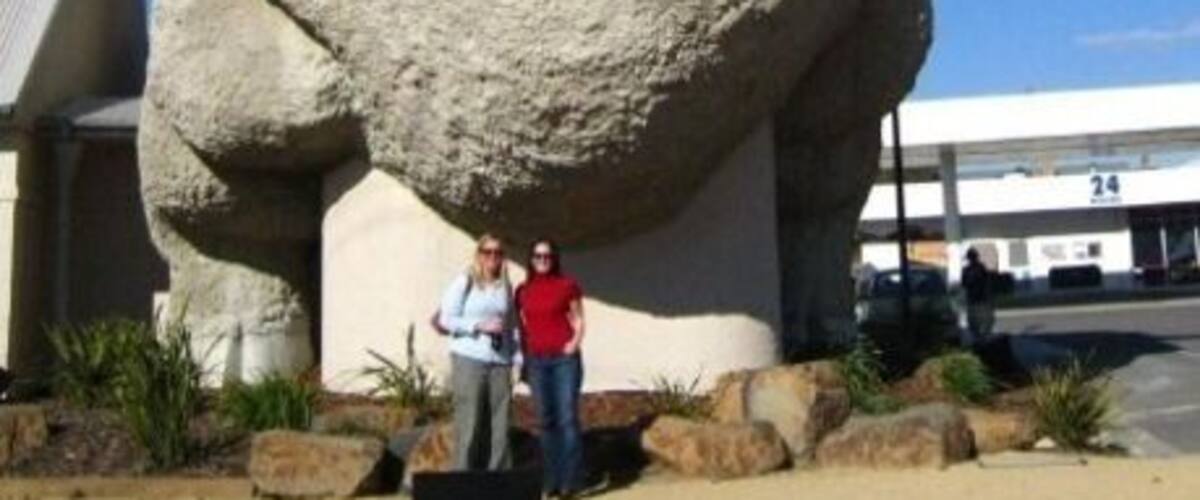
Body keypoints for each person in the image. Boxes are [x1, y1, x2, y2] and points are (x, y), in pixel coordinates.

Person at [438, 234, 517, 472]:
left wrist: (516, 356)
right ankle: (464, 479)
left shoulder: (505, 285)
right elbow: (446, 319)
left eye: (498, 252)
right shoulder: (466, 280)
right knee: (469, 421)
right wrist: (477, 326)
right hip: (469, 357)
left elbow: (510, 323)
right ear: (479, 254)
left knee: (500, 423)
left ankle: (498, 481)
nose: (493, 257)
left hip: (499, 360)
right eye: (487, 252)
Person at [516, 239, 586, 498]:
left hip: (564, 361)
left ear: (554, 259)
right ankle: (550, 480)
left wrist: (574, 343)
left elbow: (578, 318)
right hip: (537, 360)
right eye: (538, 256)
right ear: (531, 259)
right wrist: (523, 358)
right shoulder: (523, 290)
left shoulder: (567, 286)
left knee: (567, 419)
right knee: (545, 421)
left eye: (547, 256)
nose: (542, 260)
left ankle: (571, 481)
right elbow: (522, 326)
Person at [960, 247, 995, 347]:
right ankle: (979, 337)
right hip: (974, 299)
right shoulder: (966, 270)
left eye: (972, 257)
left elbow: (987, 283)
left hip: (981, 298)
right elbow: (964, 284)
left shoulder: (980, 268)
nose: (972, 259)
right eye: (971, 258)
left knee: (985, 319)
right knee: (974, 321)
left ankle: (982, 337)